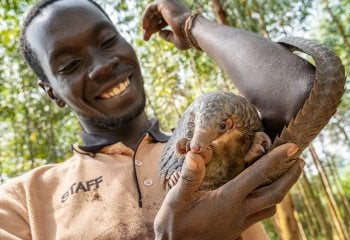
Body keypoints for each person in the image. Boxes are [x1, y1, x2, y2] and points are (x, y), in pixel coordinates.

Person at [0, 0, 310, 239]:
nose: (101, 67)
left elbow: (302, 91)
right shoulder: (21, 200)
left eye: (108, 41)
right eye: (69, 64)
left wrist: (191, 25)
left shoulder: (217, 141)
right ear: (51, 93)